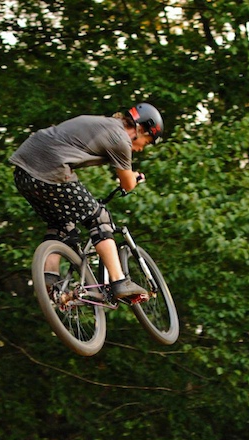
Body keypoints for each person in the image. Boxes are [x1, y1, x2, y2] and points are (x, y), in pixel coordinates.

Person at [10, 102, 164, 300]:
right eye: (148, 141)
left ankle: (49, 283)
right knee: (99, 218)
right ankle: (119, 281)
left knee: (60, 224)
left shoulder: (104, 125)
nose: (142, 148)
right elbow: (127, 184)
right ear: (140, 128)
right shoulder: (120, 138)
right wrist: (134, 178)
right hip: (50, 170)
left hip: (23, 173)